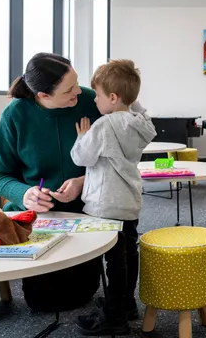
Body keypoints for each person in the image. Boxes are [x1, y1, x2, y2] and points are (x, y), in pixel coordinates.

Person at [0, 52, 103, 313]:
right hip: (40, 217)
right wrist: (24, 193)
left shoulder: (91, 102)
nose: (78, 92)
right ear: (43, 95)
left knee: (83, 293)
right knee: (42, 301)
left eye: (76, 83)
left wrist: (83, 181)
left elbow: (117, 159)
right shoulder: (15, 115)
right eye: (69, 90)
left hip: (87, 208)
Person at [70, 59, 156, 335]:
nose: (94, 100)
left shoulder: (103, 126)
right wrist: (133, 103)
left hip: (105, 203)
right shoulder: (139, 124)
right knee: (129, 254)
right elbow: (147, 119)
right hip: (129, 201)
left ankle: (114, 316)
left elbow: (81, 157)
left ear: (113, 98)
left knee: (114, 261)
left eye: (97, 95)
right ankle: (126, 303)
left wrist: (82, 136)